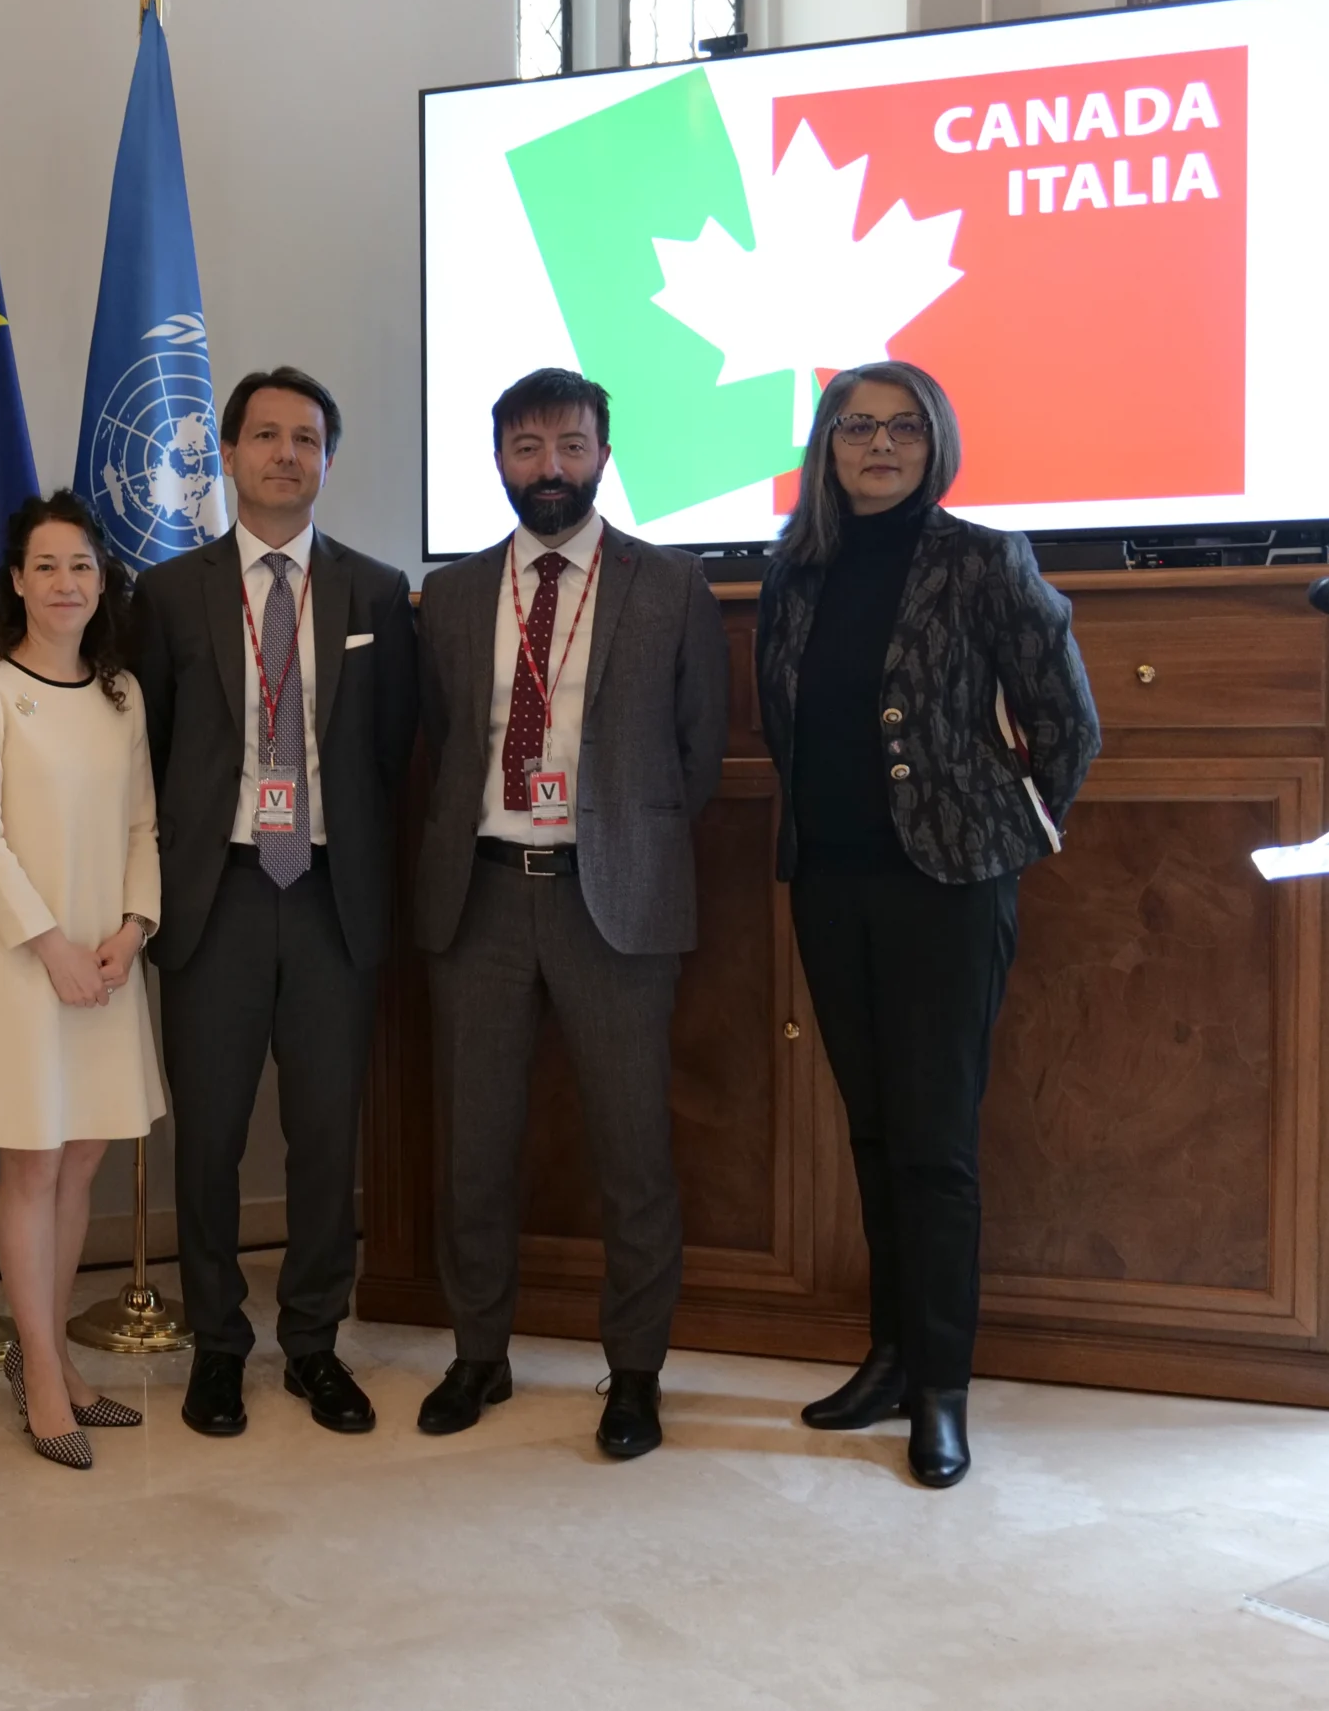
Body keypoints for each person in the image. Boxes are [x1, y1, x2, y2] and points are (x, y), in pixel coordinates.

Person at [758, 361, 1098, 1488]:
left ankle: (941, 1394)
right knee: (869, 1131)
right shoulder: (793, 573)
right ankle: (889, 1358)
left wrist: (1005, 831)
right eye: (857, 426)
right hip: (829, 881)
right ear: (826, 447)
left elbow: (1068, 723)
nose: (880, 444)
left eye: (903, 427)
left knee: (936, 1147)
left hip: (947, 887)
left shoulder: (982, 560)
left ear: (935, 442)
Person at [412, 367, 729, 1461]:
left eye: (569, 445)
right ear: (498, 459)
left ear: (603, 452)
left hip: (616, 902)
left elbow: (695, 756)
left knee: (632, 1152)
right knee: (475, 1148)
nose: (548, 469)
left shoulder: (669, 586)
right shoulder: (450, 597)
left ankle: (633, 1373)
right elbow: (438, 746)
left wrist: (616, 842)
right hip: (483, 898)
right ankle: (477, 1353)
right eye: (526, 448)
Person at [130, 366, 418, 1439]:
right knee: (205, 1140)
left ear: (327, 461)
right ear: (230, 454)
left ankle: (311, 1346)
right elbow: (149, 752)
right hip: (220, 897)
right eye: (264, 436)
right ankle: (216, 1346)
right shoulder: (166, 595)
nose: (285, 455)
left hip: (333, 898)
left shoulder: (377, 593)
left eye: (306, 439)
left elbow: (391, 750)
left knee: (323, 1139)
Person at [0, 492, 165, 1471]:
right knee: (32, 1162)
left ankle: (58, 1355)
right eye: (45, 566)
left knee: (82, 1159)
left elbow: (141, 828)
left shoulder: (121, 694)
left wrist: (131, 931)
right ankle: (38, 1372)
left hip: (106, 965)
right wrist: (54, 946)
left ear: (102, 580)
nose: (65, 583)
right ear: (16, 583)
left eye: (81, 566)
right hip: (22, 962)